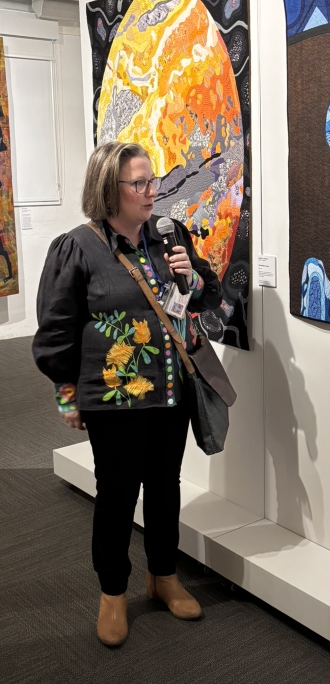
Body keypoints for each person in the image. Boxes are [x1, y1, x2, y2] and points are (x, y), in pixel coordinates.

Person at [32, 141, 222, 646]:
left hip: (170, 391)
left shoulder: (169, 234)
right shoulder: (78, 248)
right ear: (108, 189)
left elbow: (207, 296)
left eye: (151, 180)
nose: (151, 190)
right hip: (114, 401)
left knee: (165, 487)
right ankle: (113, 592)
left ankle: (163, 576)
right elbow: (55, 331)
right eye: (138, 183)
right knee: (117, 495)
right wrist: (67, 394)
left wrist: (192, 278)